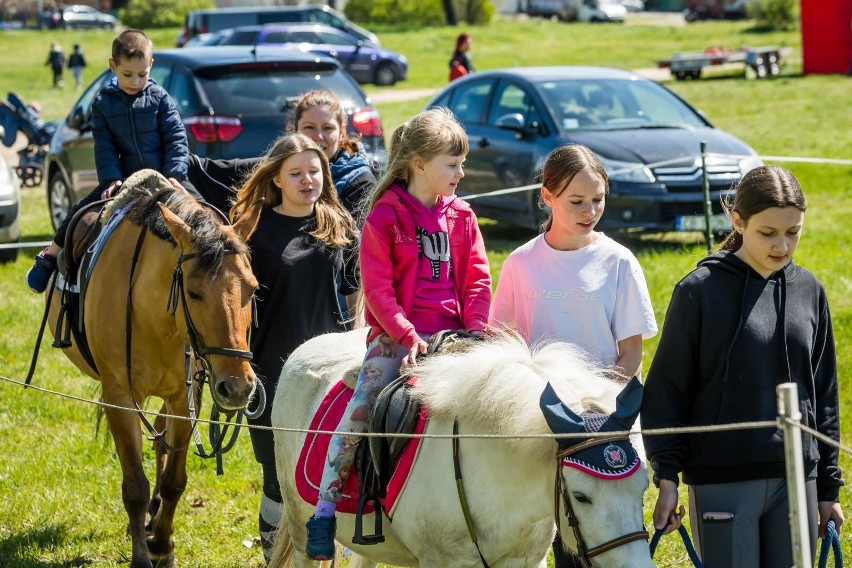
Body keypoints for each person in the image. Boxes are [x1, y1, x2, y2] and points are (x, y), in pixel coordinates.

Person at [304, 108, 492, 560]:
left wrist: (477, 332)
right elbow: (381, 292)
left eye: (461, 163)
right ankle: (326, 509)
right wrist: (408, 337)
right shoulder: (385, 216)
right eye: (452, 164)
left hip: (457, 336)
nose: (460, 173)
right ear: (419, 164)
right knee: (363, 406)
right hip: (395, 339)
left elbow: (478, 281)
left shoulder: (462, 217)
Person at [641, 165, 844, 567]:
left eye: (793, 232)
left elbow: (824, 396)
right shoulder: (698, 292)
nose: (782, 246)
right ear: (737, 220)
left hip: (797, 479)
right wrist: (667, 476)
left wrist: (828, 489)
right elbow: (667, 392)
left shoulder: (809, 291)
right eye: (768, 233)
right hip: (722, 479)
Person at [488, 143, 657, 567]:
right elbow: (504, 347)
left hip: (606, 422)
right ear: (546, 196)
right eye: (576, 201)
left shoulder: (618, 261)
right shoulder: (521, 264)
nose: (590, 211)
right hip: (541, 425)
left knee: (605, 538)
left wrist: (598, 416)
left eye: (597, 199)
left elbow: (631, 353)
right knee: (547, 538)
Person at [229, 132, 359, 564]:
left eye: (315, 171)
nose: (308, 180)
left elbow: (357, 290)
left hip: (330, 374)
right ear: (277, 179)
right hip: (271, 372)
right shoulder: (256, 230)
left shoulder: (337, 223)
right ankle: (276, 558)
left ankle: (328, 557)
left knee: (331, 474)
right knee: (277, 478)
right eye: (296, 173)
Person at [26, 28, 195, 294]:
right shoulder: (104, 103)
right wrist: (112, 178)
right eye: (127, 74)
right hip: (124, 179)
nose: (135, 81)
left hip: (167, 177)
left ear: (151, 66)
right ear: (112, 66)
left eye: (142, 74)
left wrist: (174, 173)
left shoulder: (161, 98)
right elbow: (104, 147)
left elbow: (176, 138)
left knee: (205, 212)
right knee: (80, 214)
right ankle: (50, 257)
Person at [290, 89, 376, 219]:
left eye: (327, 128)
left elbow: (354, 238)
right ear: (296, 130)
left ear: (341, 131)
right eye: (309, 127)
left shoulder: (361, 182)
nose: (318, 136)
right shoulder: (280, 173)